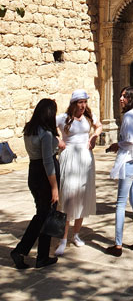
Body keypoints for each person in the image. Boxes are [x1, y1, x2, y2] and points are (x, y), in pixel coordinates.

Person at [10, 98, 60, 269]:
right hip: (46, 174)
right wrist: (54, 187)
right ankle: (22, 250)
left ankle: (42, 256)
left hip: (34, 171)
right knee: (44, 216)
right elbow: (47, 161)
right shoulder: (45, 134)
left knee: (44, 214)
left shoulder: (29, 130)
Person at [55, 89, 102, 256]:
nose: (83, 106)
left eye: (85, 102)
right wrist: (58, 139)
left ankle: (76, 234)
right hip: (69, 157)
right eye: (80, 102)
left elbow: (99, 126)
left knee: (83, 194)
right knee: (68, 196)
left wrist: (95, 135)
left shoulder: (88, 117)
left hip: (85, 157)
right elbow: (49, 129)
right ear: (74, 103)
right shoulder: (63, 118)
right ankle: (63, 238)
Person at [106, 87, 133, 256]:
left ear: (131, 99)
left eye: (125, 96)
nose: (121, 99)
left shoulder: (129, 116)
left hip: (130, 161)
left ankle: (117, 245)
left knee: (121, 203)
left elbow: (129, 140)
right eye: (120, 95)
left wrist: (118, 145)